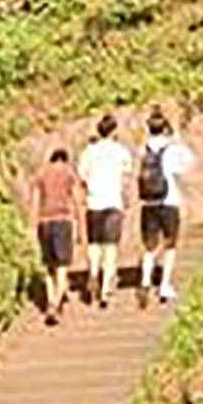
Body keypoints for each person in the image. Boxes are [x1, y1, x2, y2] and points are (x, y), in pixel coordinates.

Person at [134, 107, 195, 308]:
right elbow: (188, 163)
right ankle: (164, 285)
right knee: (170, 244)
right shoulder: (173, 147)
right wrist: (177, 138)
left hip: (148, 202)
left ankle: (144, 280)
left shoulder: (143, 149)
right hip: (169, 200)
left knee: (150, 245)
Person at [76, 112, 133, 310]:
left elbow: (82, 177)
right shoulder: (121, 152)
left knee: (94, 244)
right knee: (111, 246)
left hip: (94, 203)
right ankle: (106, 287)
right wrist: (126, 198)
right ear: (114, 131)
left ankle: (93, 272)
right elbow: (126, 177)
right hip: (113, 202)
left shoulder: (89, 152)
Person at [31, 145, 83, 326]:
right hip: (63, 221)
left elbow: (35, 202)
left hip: (44, 222)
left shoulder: (41, 173)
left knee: (48, 266)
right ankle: (55, 303)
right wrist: (81, 228)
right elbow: (77, 201)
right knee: (62, 266)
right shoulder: (69, 174)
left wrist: (33, 226)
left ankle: (50, 299)